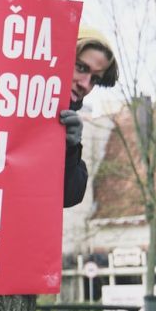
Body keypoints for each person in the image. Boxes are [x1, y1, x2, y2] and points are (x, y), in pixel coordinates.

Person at [58, 26, 119, 207]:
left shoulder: (70, 129)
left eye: (95, 79)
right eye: (81, 67)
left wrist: (70, 148)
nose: (86, 84)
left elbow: (70, 195)